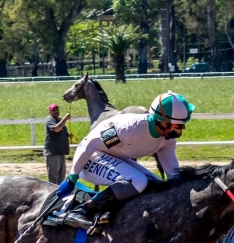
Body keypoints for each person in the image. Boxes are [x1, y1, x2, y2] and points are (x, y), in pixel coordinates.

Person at [55, 91, 195, 230]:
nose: (182, 129)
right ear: (163, 122)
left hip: (112, 155)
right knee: (138, 181)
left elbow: (174, 175)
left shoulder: (167, 141)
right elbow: (90, 145)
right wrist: (72, 178)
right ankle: (82, 210)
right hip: (89, 156)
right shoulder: (129, 128)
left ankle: (115, 211)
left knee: (155, 184)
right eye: (178, 125)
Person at [44, 104, 72, 185]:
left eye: (57, 109)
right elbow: (56, 129)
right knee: (53, 178)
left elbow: (60, 131)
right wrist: (65, 119)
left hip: (61, 151)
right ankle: (53, 194)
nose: (56, 111)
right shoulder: (49, 120)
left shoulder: (58, 120)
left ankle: (59, 194)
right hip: (53, 152)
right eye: (54, 110)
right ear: (50, 112)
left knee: (61, 177)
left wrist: (67, 135)